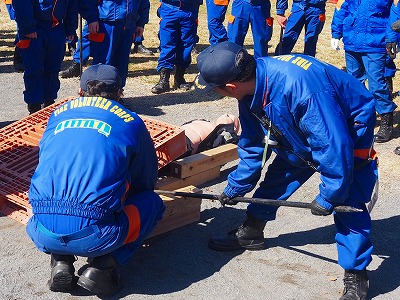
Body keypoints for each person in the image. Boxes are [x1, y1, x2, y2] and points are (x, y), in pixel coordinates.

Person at [195, 41, 378, 300]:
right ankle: (252, 231)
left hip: (349, 127)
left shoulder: (301, 90)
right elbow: (251, 142)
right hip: (313, 122)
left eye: (215, 89)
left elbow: (333, 146)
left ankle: (356, 272)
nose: (216, 93)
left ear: (231, 87)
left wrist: (329, 195)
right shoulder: (251, 89)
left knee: (349, 197)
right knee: (282, 172)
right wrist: (236, 186)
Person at [25, 64, 166, 296]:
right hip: (96, 236)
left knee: (61, 205)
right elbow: (145, 180)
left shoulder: (57, 114)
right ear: (120, 93)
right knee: (152, 202)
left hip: (41, 228)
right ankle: (103, 267)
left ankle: (60, 259)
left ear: (80, 92)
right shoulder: (131, 121)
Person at [331, 0, 398, 143]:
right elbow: (341, 6)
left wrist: (393, 38)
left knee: (376, 84)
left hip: (375, 42)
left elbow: (395, 11)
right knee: (353, 84)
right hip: (351, 41)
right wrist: (335, 33)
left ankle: (386, 119)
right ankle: (359, 119)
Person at [12, 0, 78, 114]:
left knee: (53, 68)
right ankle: (34, 105)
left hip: (57, 28)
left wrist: (70, 27)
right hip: (35, 27)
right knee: (34, 68)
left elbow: (72, 4)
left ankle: (49, 102)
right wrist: (28, 27)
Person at [79, 0, 150, 88]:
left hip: (128, 26)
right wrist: (92, 19)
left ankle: (117, 93)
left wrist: (141, 23)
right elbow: (88, 2)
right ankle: (98, 93)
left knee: (122, 64)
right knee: (104, 62)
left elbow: (144, 2)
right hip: (106, 24)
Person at [151, 0, 202, 94]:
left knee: (186, 45)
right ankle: (164, 79)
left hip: (189, 9)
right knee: (167, 44)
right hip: (169, 7)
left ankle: (179, 77)